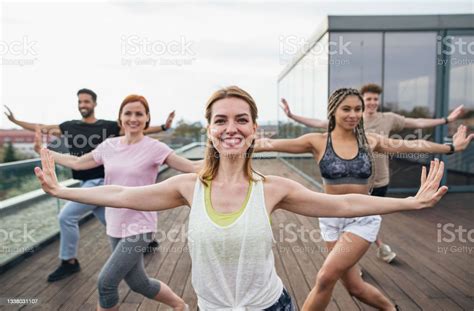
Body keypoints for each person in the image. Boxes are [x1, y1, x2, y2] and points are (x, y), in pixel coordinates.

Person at [35, 86, 450, 310]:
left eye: (241, 119)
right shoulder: (188, 187)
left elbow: (345, 205)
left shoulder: (273, 188)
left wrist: (407, 202)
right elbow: (124, 192)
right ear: (209, 129)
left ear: (254, 129)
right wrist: (60, 188)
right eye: (220, 120)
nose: (231, 128)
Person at [256, 87, 472, 310]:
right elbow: (269, 144)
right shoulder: (317, 141)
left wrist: (451, 147)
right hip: (330, 219)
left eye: (357, 109)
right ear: (333, 111)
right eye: (346, 109)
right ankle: (391, 308)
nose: (353, 114)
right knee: (354, 287)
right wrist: (228, 143)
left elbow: (414, 145)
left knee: (325, 278)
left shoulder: (371, 140)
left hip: (362, 218)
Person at [34, 94, 199, 311]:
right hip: (115, 222)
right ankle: (180, 306)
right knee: (139, 283)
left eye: (139, 113)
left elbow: (193, 167)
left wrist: (239, 155)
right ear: (120, 118)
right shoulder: (109, 146)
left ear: (147, 118)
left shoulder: (155, 148)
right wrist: (45, 153)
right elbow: (77, 162)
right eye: (128, 113)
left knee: (106, 283)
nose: (133, 118)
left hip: (140, 224)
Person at [279, 83, 466, 263]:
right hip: (341, 188)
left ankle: (360, 254)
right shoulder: (342, 124)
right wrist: (293, 116)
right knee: (347, 231)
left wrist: (447, 127)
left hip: (377, 181)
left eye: (374, 99)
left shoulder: (386, 120)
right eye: (367, 99)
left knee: (366, 217)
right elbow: (319, 123)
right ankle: (356, 258)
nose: (370, 103)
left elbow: (415, 129)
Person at [4, 88, 175, 282]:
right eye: (80, 102)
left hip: (103, 183)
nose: (83, 105)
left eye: (86, 101)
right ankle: (145, 241)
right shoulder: (70, 126)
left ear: (94, 104)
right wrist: (15, 121)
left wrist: (163, 127)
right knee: (111, 220)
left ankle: (69, 262)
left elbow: (137, 126)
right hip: (87, 183)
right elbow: (41, 127)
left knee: (66, 216)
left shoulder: (108, 126)